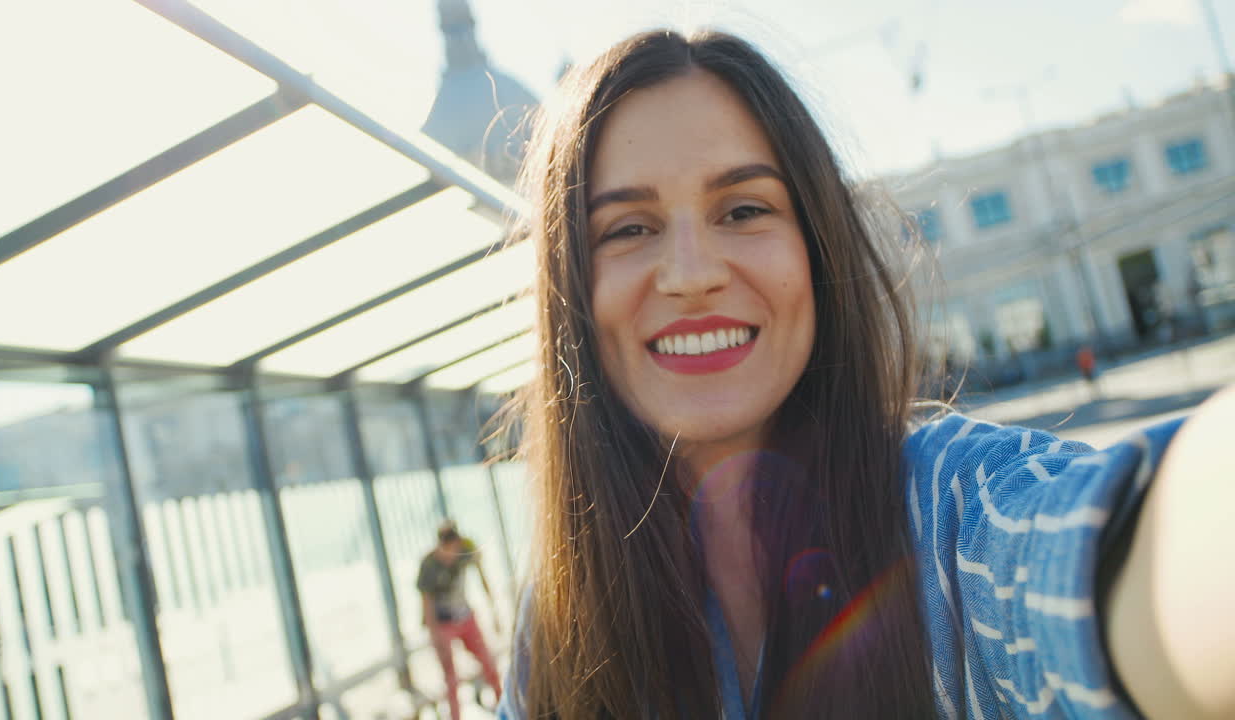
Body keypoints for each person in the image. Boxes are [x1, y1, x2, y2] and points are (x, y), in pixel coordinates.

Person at [494, 29, 1235, 720]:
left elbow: (1129, 552)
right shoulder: (555, 628)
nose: (690, 274)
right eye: (627, 228)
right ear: (569, 292)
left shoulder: (954, 519)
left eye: (744, 209)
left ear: (818, 248)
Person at [418, 519, 503, 720]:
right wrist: (434, 634)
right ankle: (456, 716)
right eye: (447, 549)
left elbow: (483, 576)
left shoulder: (466, 550)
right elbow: (426, 603)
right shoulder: (429, 565)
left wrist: (494, 610)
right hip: (443, 623)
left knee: (488, 661)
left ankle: (503, 706)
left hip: (465, 617)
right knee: (451, 677)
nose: (451, 554)